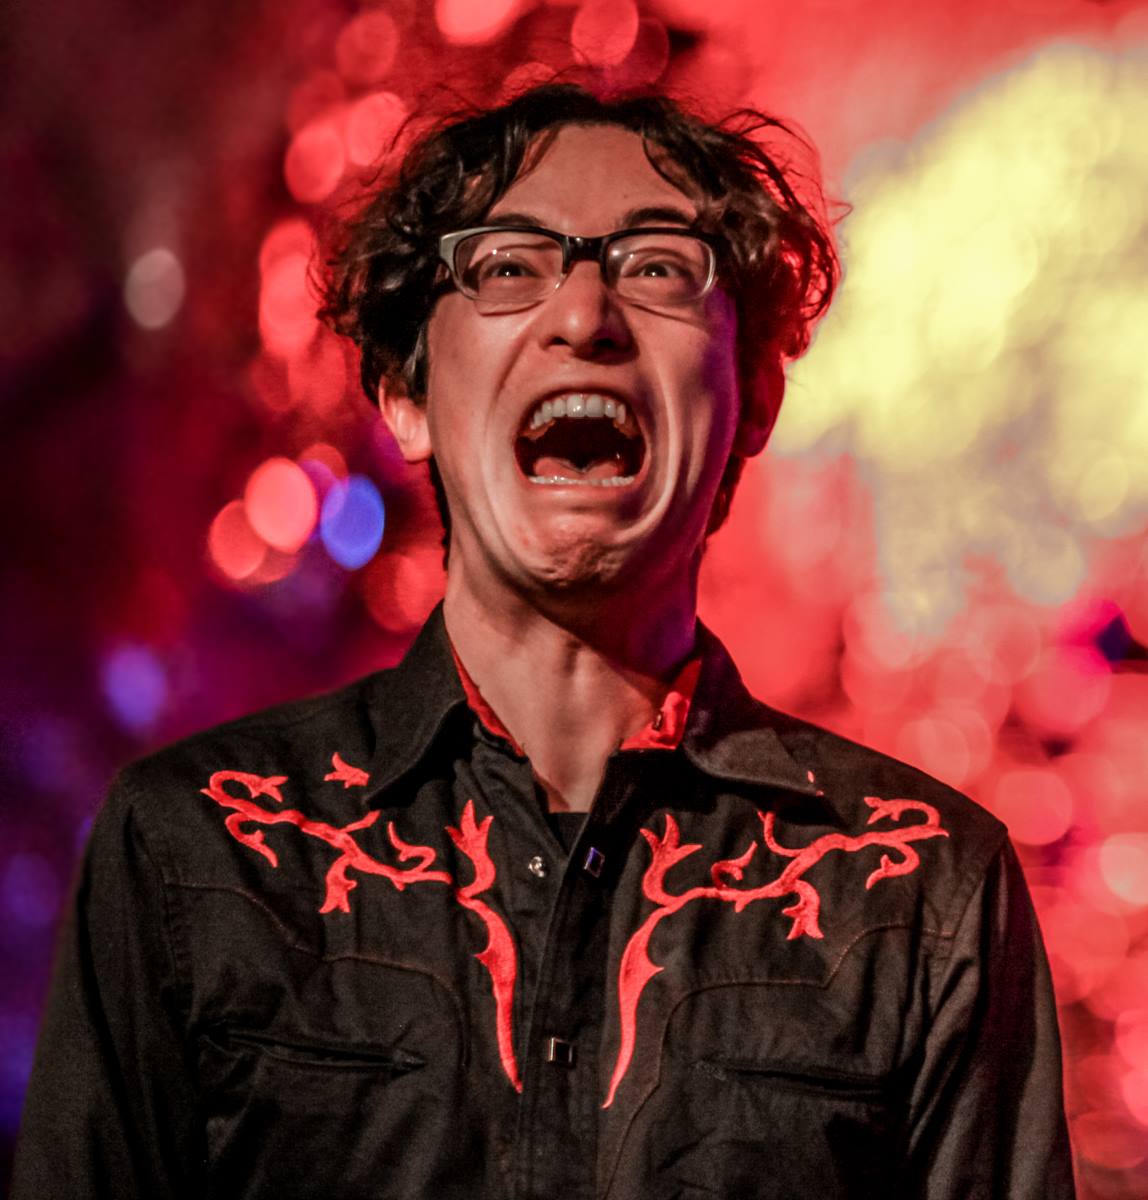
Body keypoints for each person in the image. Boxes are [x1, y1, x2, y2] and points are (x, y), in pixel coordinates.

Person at [13, 83, 1075, 1199]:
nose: (583, 313)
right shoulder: (197, 851)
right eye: (506, 265)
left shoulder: (920, 889)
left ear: (753, 396)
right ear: (403, 394)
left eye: (659, 264)